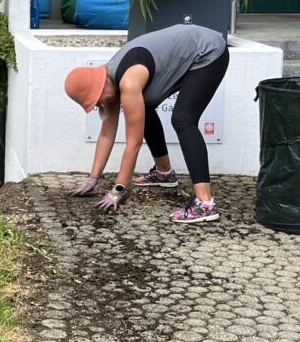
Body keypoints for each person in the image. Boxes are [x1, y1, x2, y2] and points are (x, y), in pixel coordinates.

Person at [63, 23, 230, 224]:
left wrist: (118, 190)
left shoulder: (128, 82)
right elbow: (107, 133)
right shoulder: (110, 84)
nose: (99, 104)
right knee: (146, 107)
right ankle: (164, 174)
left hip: (207, 52)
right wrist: (93, 178)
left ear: (98, 87)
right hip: (188, 53)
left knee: (184, 119)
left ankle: (205, 203)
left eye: (96, 100)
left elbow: (133, 145)